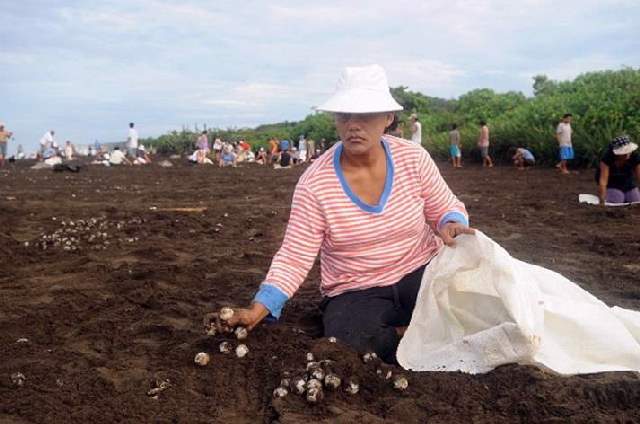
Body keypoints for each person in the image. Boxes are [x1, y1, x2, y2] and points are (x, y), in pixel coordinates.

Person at [215, 64, 473, 364]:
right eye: (344, 116)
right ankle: (418, 332)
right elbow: (295, 255)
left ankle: (408, 333)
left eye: (364, 115)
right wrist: (258, 309)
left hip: (421, 270)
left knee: (475, 302)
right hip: (358, 288)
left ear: (388, 118)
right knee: (347, 343)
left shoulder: (412, 158)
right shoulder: (315, 184)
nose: (353, 125)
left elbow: (445, 207)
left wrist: (451, 223)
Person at [596, 135, 640, 205]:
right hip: (611, 183)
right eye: (624, 152)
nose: (627, 154)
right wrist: (602, 200)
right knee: (617, 199)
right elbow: (603, 181)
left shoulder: (634, 156)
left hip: (627, 182)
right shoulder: (607, 158)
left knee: (635, 199)